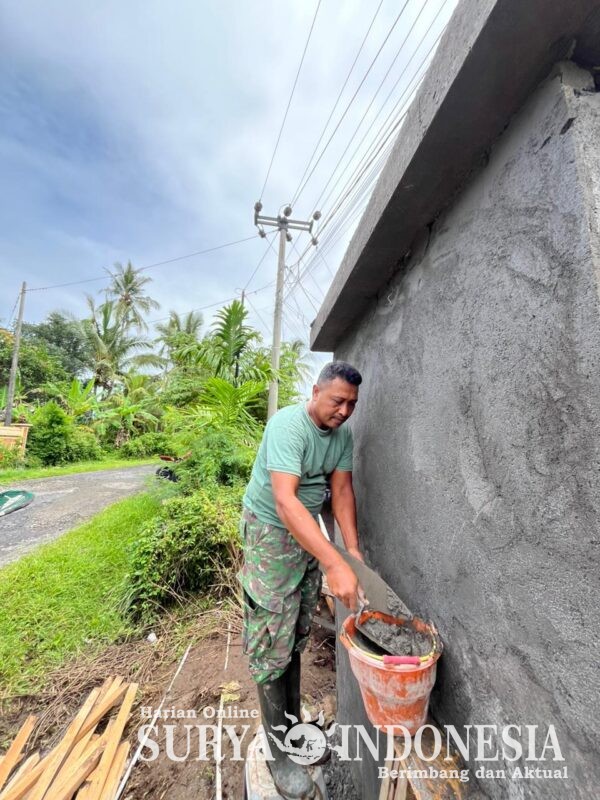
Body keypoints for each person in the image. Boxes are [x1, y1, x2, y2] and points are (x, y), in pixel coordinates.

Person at [238, 361, 364, 799]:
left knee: (294, 633)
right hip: (272, 531)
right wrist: (333, 563)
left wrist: (352, 552)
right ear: (315, 392)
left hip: (307, 533)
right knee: (272, 636)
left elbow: (342, 491)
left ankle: (291, 731)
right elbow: (286, 502)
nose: (344, 411)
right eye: (337, 401)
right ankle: (279, 755)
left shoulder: (342, 436)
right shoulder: (288, 427)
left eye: (351, 404)